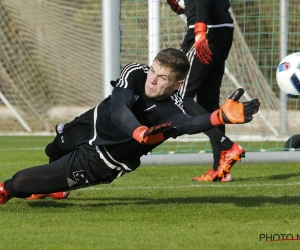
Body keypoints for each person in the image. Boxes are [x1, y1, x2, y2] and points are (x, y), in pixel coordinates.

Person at [0, 48, 260, 205]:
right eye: (154, 71)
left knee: (19, 183)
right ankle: (54, 187)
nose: (153, 81)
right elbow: (119, 110)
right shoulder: (136, 72)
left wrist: (218, 118)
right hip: (90, 123)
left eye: (163, 78)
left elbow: (189, 123)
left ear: (178, 85)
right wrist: (138, 132)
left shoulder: (173, 109)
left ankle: (8, 190)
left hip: (102, 158)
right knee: (53, 148)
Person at [167, 0, 240, 181]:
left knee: (180, 95)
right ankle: (221, 170)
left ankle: (226, 146)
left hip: (206, 30)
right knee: (209, 100)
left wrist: (200, 30)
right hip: (223, 28)